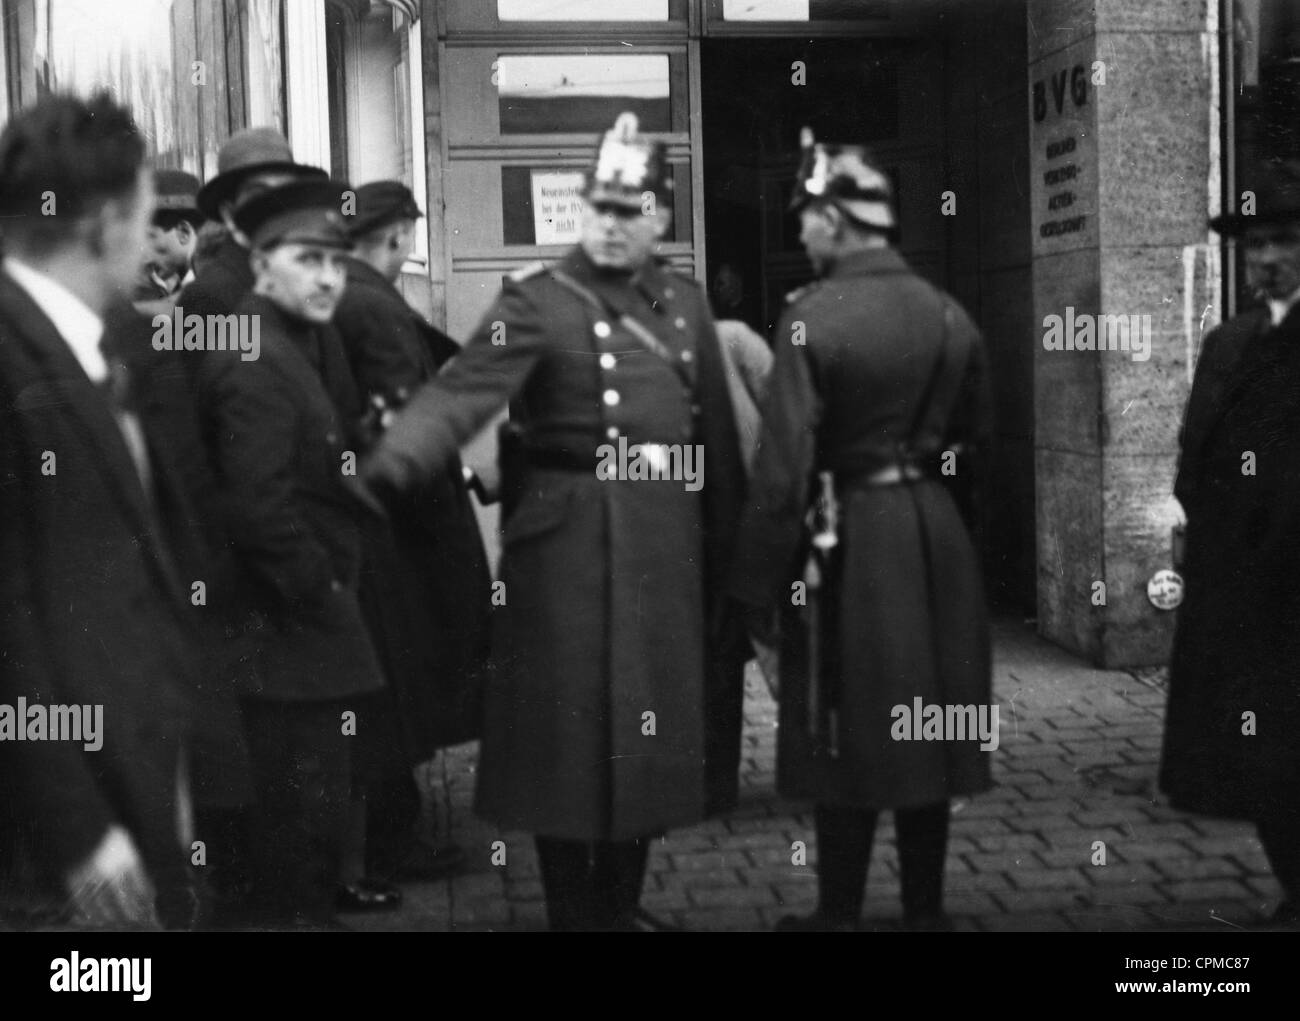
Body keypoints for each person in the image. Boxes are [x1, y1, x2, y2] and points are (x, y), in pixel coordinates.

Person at [363, 112, 748, 931]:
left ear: (661, 216)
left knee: (641, 749)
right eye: (599, 208)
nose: (611, 225)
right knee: (562, 749)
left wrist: (734, 572)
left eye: (631, 209)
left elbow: (716, 440)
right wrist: (391, 463)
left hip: (657, 550)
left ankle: (620, 905)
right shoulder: (537, 301)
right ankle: (575, 914)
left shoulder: (682, 306)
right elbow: (460, 389)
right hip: (561, 554)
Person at [728, 129, 994, 932]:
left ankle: (836, 913)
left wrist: (753, 585)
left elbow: (781, 473)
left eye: (806, 215)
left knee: (842, 715)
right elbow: (977, 442)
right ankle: (925, 911)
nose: (798, 231)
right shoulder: (952, 315)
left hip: (847, 537)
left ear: (838, 220)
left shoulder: (810, 318)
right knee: (929, 720)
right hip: (935, 537)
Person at [0, 92, 202, 929]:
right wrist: (80, 831)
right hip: (64, 852)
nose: (159, 234)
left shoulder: (96, 340)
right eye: (148, 212)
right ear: (105, 225)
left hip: (134, 779)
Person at [199, 178, 387, 928]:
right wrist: (322, 589)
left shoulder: (287, 341)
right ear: (262, 266)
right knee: (298, 834)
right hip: (286, 639)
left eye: (336, 263)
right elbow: (258, 508)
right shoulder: (257, 359)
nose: (328, 278)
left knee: (304, 825)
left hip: (295, 637)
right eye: (307, 260)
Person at [334, 181, 491, 889]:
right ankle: (396, 841)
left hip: (372, 520)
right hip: (402, 533)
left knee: (386, 688)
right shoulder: (377, 305)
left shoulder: (346, 293)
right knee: (402, 687)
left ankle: (389, 833)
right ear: (398, 235)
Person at [1160, 163, 1300, 928]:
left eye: (1284, 241)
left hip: (1291, 582)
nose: (1269, 259)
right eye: (1257, 246)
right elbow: (1197, 445)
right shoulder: (1231, 341)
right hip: (1239, 586)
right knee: (1262, 755)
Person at [134, 168, 203, 310]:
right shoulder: (178, 280)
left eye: (151, 237)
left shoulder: (213, 279)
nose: (144, 252)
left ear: (184, 232)